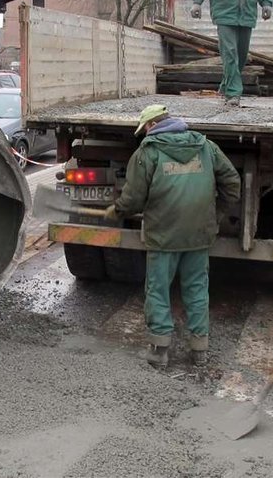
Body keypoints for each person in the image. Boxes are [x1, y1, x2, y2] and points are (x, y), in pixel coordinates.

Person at [104, 104, 241, 368]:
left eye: (144, 129)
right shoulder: (205, 146)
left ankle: (159, 350)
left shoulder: (148, 152)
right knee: (197, 288)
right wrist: (216, 214)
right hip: (199, 235)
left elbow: (133, 199)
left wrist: (117, 210)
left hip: (163, 235)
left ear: (150, 125)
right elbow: (231, 183)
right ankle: (199, 350)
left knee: (158, 290)